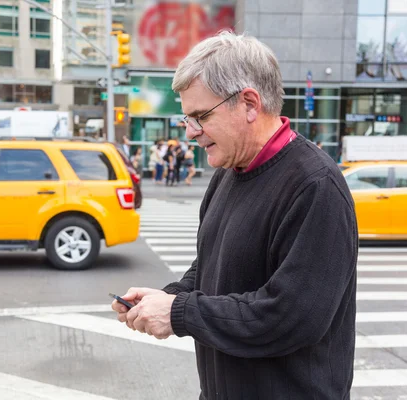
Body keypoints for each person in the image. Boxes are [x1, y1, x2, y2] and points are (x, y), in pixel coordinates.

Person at [112, 31, 358, 399]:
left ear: (249, 103)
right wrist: (165, 298)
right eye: (187, 118)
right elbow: (211, 266)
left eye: (200, 116)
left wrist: (180, 312)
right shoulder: (227, 171)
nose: (191, 132)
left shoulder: (315, 186)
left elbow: (290, 318)